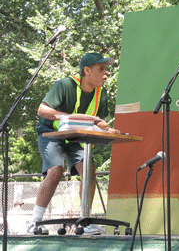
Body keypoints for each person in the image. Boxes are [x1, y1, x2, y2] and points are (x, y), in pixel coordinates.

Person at [28, 52, 121, 235]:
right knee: (56, 170)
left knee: (89, 171)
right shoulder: (65, 85)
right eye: (101, 68)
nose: (106, 73)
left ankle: (84, 223)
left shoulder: (101, 92)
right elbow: (41, 110)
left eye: (106, 69)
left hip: (76, 137)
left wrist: (108, 130)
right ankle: (35, 222)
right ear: (87, 70)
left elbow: (98, 120)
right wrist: (68, 118)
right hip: (52, 133)